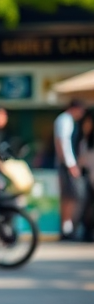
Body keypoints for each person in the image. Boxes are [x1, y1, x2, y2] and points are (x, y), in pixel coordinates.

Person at [54, 99, 86, 240]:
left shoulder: (66, 120)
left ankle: (67, 228)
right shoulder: (65, 120)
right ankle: (67, 228)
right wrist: (70, 164)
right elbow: (63, 142)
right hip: (67, 165)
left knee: (69, 196)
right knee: (72, 196)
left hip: (67, 164)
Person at [75, 109, 94, 243]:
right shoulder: (83, 139)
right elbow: (82, 160)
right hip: (88, 177)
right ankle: (87, 232)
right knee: (87, 206)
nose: (86, 125)